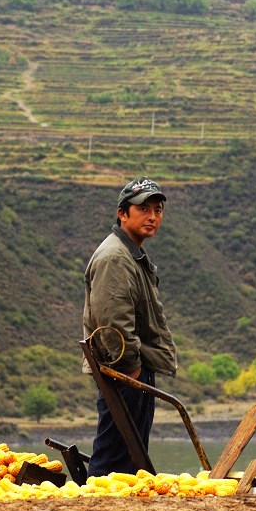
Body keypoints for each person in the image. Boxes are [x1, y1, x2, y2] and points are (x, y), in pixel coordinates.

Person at [83, 176, 177, 477]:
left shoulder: (131, 254)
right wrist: (132, 369)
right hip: (124, 371)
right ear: (122, 213)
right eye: (143, 209)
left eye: (158, 210)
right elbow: (112, 324)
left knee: (129, 454)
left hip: (132, 369)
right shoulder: (115, 257)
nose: (152, 216)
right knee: (114, 455)